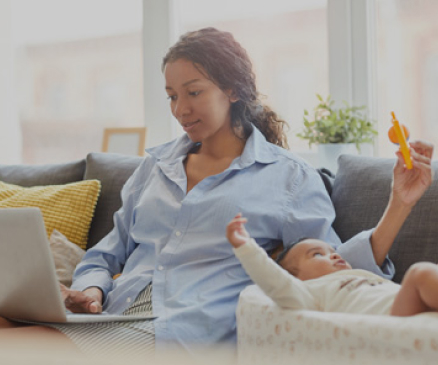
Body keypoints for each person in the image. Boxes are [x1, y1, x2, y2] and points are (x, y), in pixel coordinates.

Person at [0, 27, 433, 355]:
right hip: (112, 314)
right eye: (171, 96)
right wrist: (91, 291)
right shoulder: (156, 166)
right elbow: (105, 254)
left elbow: (332, 269)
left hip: (188, 332)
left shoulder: (288, 177)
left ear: (232, 90)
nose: (180, 109)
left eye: (193, 92)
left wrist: (398, 205)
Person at [226, 217, 438, 316]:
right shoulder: (310, 292)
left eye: (333, 252)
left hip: (417, 308)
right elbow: (275, 282)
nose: (335, 256)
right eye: (318, 254)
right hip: (394, 319)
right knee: (420, 274)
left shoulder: (357, 275)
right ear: (296, 278)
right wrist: (246, 248)